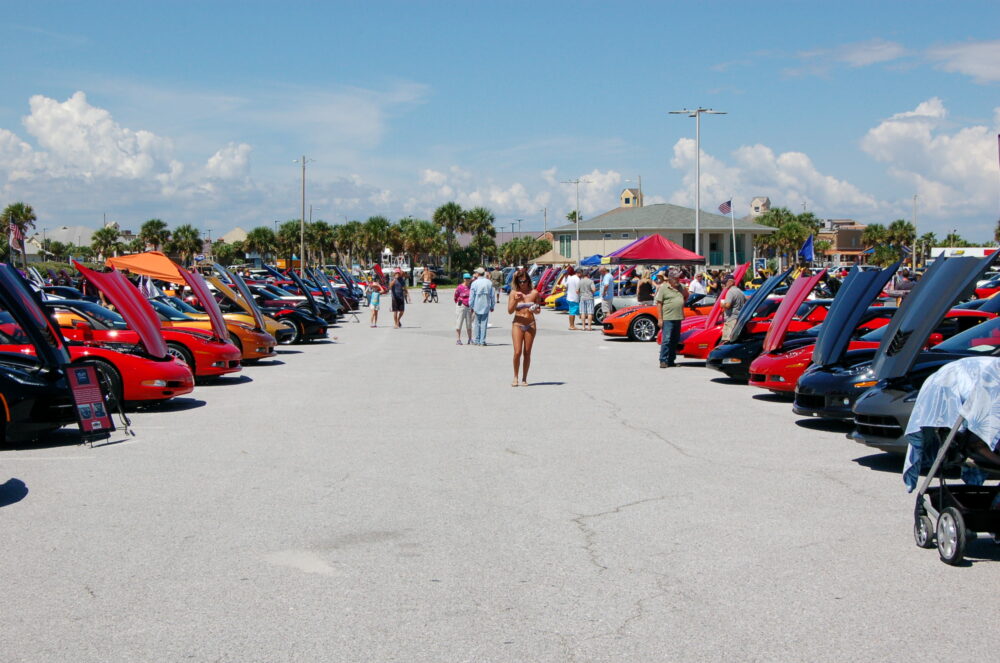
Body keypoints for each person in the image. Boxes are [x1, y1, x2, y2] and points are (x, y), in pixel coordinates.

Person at [508, 268, 540, 386]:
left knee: (527, 352)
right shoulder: (513, 293)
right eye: (520, 281)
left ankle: (524, 378)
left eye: (524, 281)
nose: (522, 284)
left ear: (528, 281)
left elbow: (538, 310)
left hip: (530, 324)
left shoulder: (535, 293)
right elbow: (510, 311)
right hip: (517, 324)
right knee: (517, 352)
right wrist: (515, 301)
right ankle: (515, 376)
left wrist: (535, 310)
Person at [654, 272, 688, 368]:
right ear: (670, 279)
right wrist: (660, 319)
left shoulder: (681, 287)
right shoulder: (664, 288)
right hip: (668, 318)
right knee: (667, 339)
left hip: (678, 317)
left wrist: (681, 303)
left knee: (675, 340)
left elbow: (686, 295)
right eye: (676, 278)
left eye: (678, 278)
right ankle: (663, 360)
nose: (678, 280)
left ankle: (671, 360)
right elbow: (659, 303)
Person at [468, 267, 495, 345]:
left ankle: (477, 340)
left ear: (478, 274)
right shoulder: (489, 282)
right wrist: (492, 306)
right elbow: (492, 296)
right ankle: (482, 341)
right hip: (486, 305)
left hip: (477, 305)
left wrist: (471, 306)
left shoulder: (474, 283)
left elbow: (472, 296)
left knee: (477, 323)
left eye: (476, 272)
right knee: (484, 323)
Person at [719, 277, 747, 343]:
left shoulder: (730, 292)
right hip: (739, 318)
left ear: (731, 283)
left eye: (726, 282)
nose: (724, 284)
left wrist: (722, 304)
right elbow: (745, 302)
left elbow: (728, 305)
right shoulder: (740, 291)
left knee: (726, 341)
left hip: (731, 319)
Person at [454, 272, 473, 345]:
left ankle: (470, 339)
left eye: (469, 278)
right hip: (461, 305)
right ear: (464, 279)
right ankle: (458, 339)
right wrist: (458, 302)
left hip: (469, 306)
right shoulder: (460, 287)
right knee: (459, 322)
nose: (468, 280)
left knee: (469, 324)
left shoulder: (471, 287)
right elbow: (456, 296)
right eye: (466, 278)